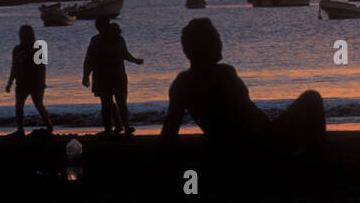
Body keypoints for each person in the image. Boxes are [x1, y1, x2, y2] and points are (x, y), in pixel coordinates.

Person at [160, 18, 325, 157]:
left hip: (233, 147)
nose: (220, 43)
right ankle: (315, 162)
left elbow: (169, 132)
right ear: (205, 45)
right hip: (260, 143)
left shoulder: (182, 84)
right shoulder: (223, 74)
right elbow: (243, 120)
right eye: (215, 38)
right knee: (312, 98)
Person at [82, 17, 143, 138]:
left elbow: (89, 59)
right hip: (116, 75)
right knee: (119, 103)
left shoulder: (97, 40)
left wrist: (86, 75)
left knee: (107, 104)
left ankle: (110, 129)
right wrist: (136, 61)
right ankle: (124, 127)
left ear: (98, 27)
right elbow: (125, 54)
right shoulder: (117, 38)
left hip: (104, 76)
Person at [5, 24, 53, 135]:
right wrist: (9, 83)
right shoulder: (18, 49)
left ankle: (48, 126)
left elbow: (41, 67)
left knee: (36, 105)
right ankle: (21, 129)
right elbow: (15, 67)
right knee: (21, 105)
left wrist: (42, 82)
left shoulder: (37, 48)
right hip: (24, 82)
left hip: (33, 82)